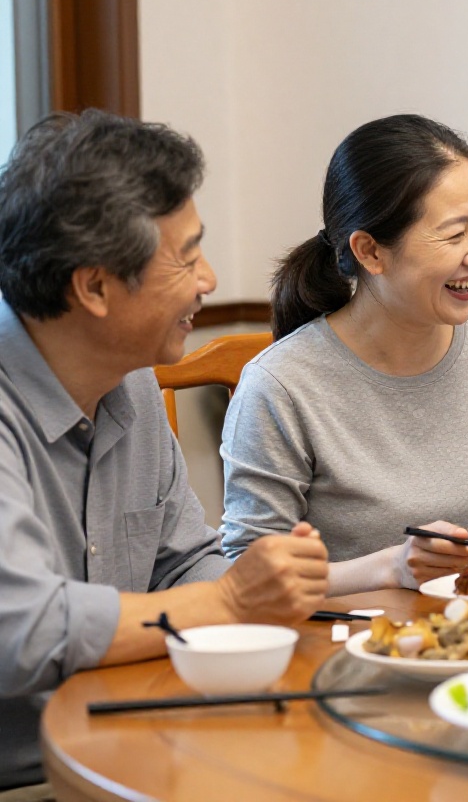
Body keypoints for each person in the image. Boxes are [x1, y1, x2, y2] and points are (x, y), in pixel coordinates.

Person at [0, 111, 327, 794]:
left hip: (141, 739)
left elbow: (184, 561)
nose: (210, 279)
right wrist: (233, 600)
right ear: (93, 287)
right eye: (186, 255)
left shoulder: (132, 380)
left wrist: (257, 591)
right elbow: (21, 632)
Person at [220, 115, 468, 595]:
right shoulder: (281, 385)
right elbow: (246, 572)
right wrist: (389, 569)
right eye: (453, 234)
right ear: (370, 251)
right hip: (336, 649)